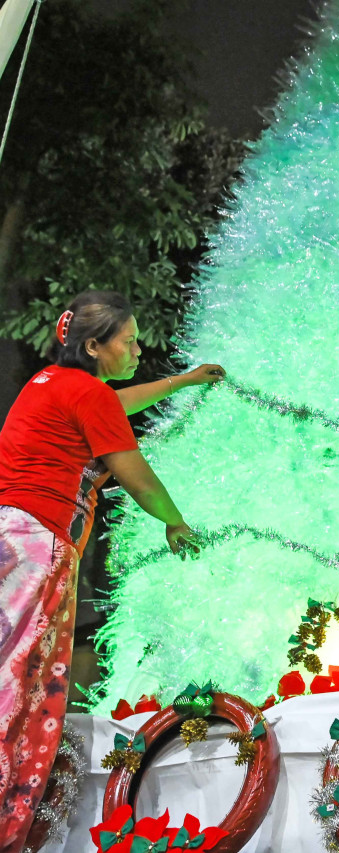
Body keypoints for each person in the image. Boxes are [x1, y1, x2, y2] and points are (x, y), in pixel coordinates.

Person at [0, 289, 225, 852]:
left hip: (15, 535)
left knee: (18, 670)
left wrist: (183, 382)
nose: (138, 347)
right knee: (18, 681)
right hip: (37, 544)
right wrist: (176, 523)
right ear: (96, 345)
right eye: (128, 340)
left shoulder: (52, 384)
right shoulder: (86, 395)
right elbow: (135, 474)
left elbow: (113, 402)